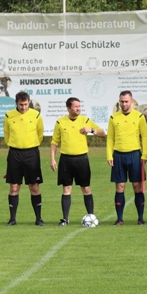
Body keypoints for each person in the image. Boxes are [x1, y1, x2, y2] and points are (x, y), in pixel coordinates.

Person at [49, 97, 105, 226]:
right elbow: (54, 142)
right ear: (68, 108)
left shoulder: (85, 120)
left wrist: (91, 130)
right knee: (66, 188)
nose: (78, 108)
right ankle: (65, 219)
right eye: (75, 106)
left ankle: (91, 217)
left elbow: (103, 133)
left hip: (81, 159)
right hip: (66, 159)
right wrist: (52, 159)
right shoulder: (60, 122)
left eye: (79, 106)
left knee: (86, 188)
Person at [107, 90, 147, 225]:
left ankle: (140, 218)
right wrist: (109, 155)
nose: (124, 104)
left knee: (137, 186)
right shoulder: (113, 118)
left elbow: (145, 136)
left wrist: (145, 154)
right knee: (120, 186)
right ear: (119, 102)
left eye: (126, 101)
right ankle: (119, 219)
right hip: (118, 155)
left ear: (131, 101)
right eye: (122, 101)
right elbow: (110, 138)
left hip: (135, 155)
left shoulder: (139, 117)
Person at [3, 91, 45, 226]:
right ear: (16, 103)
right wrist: (16, 145)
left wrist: (30, 145)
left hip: (31, 154)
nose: (23, 107)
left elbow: (40, 133)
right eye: (21, 105)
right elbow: (7, 134)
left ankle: (38, 219)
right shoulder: (9, 115)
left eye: (26, 104)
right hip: (14, 154)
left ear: (29, 103)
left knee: (34, 186)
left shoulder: (36, 115)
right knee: (14, 186)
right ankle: (12, 219)